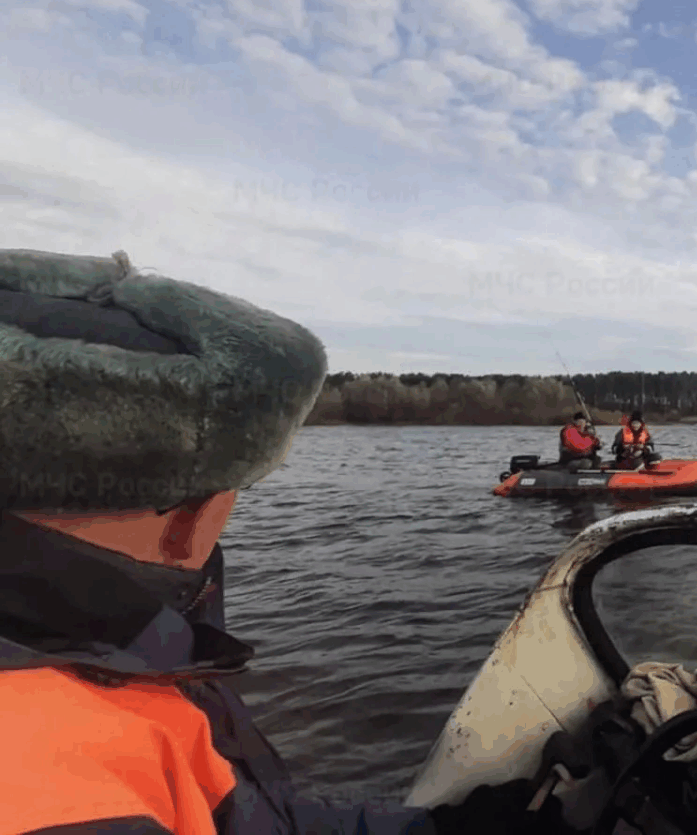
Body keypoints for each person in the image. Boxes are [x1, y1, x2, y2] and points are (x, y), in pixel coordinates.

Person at [0, 248, 563, 835]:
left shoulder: (105, 659)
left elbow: (248, 820)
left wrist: (445, 829)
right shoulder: (68, 773)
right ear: (192, 515)